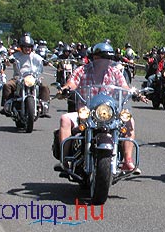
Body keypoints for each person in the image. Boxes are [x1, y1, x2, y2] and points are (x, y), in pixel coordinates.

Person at [56, 42, 146, 173]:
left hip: (108, 114)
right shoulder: (82, 70)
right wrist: (65, 89)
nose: (105, 61)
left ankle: (127, 161)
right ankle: (65, 160)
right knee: (64, 119)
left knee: (129, 120)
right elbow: (72, 82)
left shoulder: (115, 72)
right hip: (86, 114)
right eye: (102, 58)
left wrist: (135, 93)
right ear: (94, 58)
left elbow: (124, 87)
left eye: (108, 58)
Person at [0, 34, 51, 118]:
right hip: (18, 78)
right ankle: (6, 106)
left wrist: (46, 62)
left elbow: (42, 60)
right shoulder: (16, 55)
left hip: (33, 77)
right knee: (7, 85)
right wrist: (9, 61)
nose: (27, 48)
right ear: (21, 47)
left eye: (29, 46)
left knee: (45, 86)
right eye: (25, 46)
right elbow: (8, 62)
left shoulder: (35, 56)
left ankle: (44, 107)